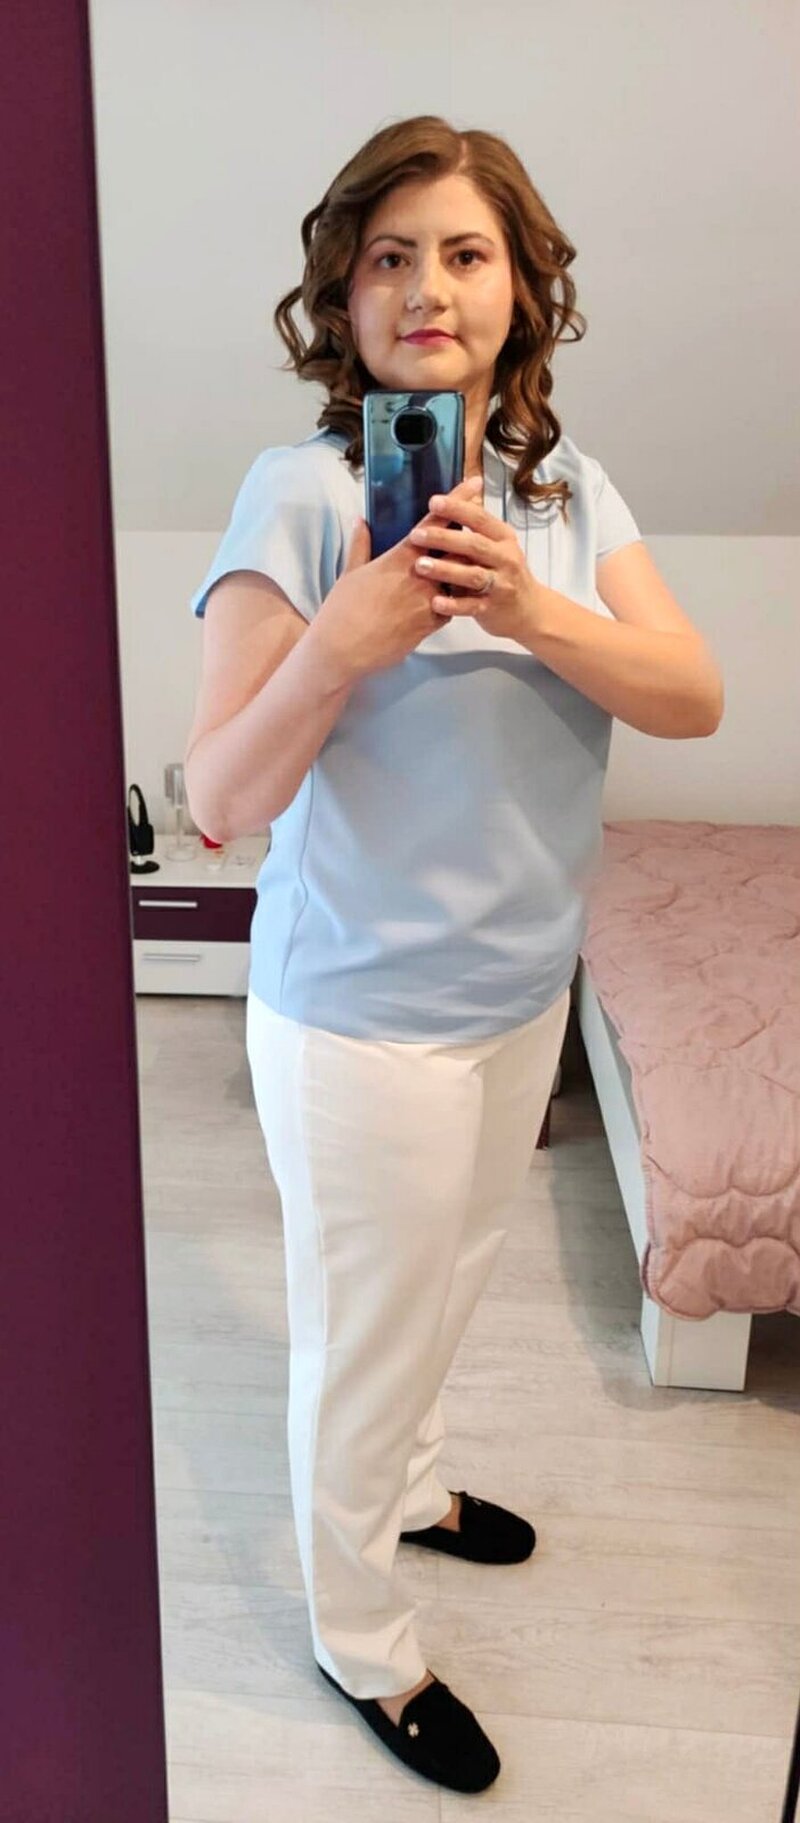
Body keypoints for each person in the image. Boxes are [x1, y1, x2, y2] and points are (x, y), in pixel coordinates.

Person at [184, 115, 655, 1794]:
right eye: (388, 257)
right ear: (344, 296)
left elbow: (691, 693)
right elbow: (220, 799)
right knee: (363, 1338)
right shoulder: (303, 493)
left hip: (516, 998)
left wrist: (527, 605)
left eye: (464, 252)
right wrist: (340, 644)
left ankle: (410, 1488)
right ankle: (364, 1641)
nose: (427, 287)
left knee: (449, 1286)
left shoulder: (565, 490)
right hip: (359, 1025)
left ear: (523, 288)